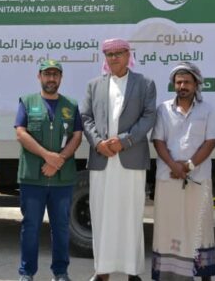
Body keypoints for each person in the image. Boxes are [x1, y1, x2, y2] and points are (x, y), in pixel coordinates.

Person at [81, 38, 157, 281]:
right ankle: (102, 270)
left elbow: (149, 116)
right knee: (101, 215)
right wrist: (98, 143)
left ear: (128, 55)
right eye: (109, 54)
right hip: (102, 158)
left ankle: (132, 271)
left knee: (130, 215)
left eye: (118, 53)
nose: (113, 58)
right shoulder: (94, 85)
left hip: (130, 158)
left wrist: (125, 141)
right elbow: (85, 117)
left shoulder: (144, 84)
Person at [15, 59, 84, 281]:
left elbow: (77, 136)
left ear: (61, 78)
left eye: (55, 74)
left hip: (61, 180)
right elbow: (21, 133)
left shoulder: (71, 105)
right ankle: (27, 273)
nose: (51, 78)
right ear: (39, 77)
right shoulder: (27, 102)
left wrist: (59, 160)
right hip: (33, 179)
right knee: (30, 227)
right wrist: (48, 156)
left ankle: (61, 272)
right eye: (47, 74)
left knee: (61, 228)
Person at [151, 62, 215, 281]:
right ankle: (168, 275)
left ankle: (204, 275)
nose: (182, 86)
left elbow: (210, 142)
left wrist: (187, 166)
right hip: (168, 177)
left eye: (187, 82)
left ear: (196, 84)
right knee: (168, 227)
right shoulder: (163, 109)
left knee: (199, 227)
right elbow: (158, 141)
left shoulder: (207, 110)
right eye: (179, 82)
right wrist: (174, 166)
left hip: (197, 177)